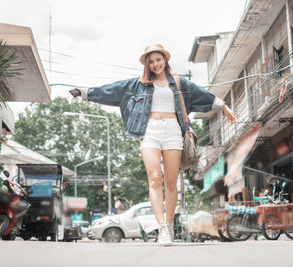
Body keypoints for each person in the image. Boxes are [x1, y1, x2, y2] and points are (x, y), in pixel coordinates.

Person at [70, 44, 236, 246]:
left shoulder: (178, 83)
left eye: (159, 59)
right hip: (149, 131)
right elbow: (111, 90)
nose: (155, 64)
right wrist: (85, 92)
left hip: (173, 131)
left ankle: (168, 223)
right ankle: (163, 229)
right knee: (155, 179)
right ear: (146, 64)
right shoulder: (137, 85)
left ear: (165, 60)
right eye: (151, 61)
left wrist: (224, 106)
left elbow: (202, 94)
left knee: (171, 181)